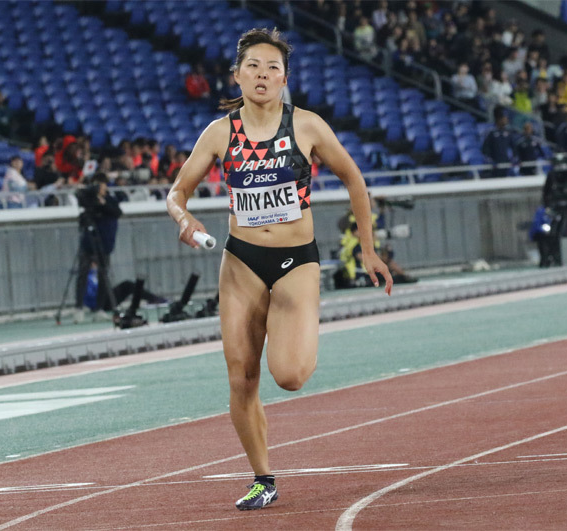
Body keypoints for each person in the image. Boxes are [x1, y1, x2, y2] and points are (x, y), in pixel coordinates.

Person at [165, 28, 393, 511]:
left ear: (285, 78)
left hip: (295, 261)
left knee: (288, 375)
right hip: (241, 261)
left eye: (272, 68)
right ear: (237, 75)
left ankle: (298, 321)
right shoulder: (220, 132)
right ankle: (262, 477)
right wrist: (184, 219)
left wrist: (369, 250)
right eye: (253, 66)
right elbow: (176, 192)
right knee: (241, 378)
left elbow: (354, 178)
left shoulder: (306, 126)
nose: (262, 75)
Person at [74, 173, 123, 323]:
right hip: (88, 243)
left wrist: (102, 204)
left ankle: (99, 309)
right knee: (82, 273)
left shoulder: (109, 200)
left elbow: (117, 212)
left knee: (103, 275)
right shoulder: (89, 201)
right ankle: (79, 308)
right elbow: (83, 216)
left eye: (101, 184)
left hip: (104, 244)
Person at [482, 108, 518, 177]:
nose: (507, 120)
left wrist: (514, 158)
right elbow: (485, 149)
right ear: (499, 119)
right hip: (495, 164)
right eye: (505, 118)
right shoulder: (491, 132)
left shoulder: (508, 132)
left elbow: (514, 147)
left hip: (506, 163)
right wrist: (490, 161)